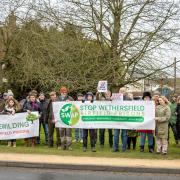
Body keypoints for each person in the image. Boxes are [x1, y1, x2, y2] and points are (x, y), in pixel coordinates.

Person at [113, 87, 129, 152]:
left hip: (124, 119)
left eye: (123, 91)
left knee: (124, 134)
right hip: (117, 118)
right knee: (116, 134)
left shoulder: (128, 99)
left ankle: (124, 148)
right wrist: (111, 99)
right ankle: (115, 148)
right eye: (120, 91)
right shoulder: (115, 97)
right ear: (118, 91)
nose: (121, 92)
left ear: (125, 92)